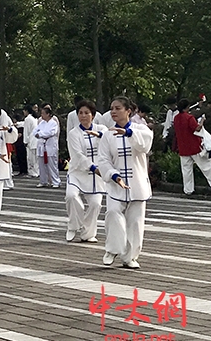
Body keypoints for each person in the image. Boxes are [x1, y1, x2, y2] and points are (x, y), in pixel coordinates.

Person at [98, 96, 153, 269]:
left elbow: (145, 145)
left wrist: (129, 133)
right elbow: (104, 159)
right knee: (113, 213)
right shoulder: (108, 134)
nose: (113, 111)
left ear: (128, 110)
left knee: (136, 222)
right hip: (116, 184)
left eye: (117, 108)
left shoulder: (139, 129)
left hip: (137, 184)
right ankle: (112, 249)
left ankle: (130, 257)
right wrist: (114, 176)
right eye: (111, 108)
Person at [64, 100, 107, 243]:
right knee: (71, 196)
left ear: (93, 115)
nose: (83, 116)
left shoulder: (102, 129)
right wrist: (93, 167)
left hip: (96, 177)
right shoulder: (73, 133)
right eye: (80, 113)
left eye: (86, 113)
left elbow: (109, 141)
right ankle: (74, 225)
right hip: (78, 172)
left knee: (96, 204)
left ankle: (88, 233)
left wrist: (99, 135)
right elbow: (77, 155)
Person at [173, 98, 211, 195]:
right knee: (206, 167)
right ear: (187, 107)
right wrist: (202, 121)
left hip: (182, 147)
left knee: (186, 170)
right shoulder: (189, 118)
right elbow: (197, 129)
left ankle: (188, 190)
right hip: (194, 146)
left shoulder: (176, 118)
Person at [32, 106, 61, 188]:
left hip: (50, 145)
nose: (41, 115)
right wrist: (39, 134)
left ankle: (55, 181)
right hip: (42, 145)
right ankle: (43, 181)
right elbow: (35, 131)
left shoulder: (53, 123)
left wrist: (41, 134)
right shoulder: (41, 123)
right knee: (41, 165)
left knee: (52, 164)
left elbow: (51, 132)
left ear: (48, 114)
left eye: (43, 113)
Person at [22, 105, 40, 178]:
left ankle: (32, 172)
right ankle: (37, 171)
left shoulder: (28, 119)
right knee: (36, 158)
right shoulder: (34, 119)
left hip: (31, 140)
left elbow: (26, 131)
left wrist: (25, 141)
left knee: (30, 157)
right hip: (36, 140)